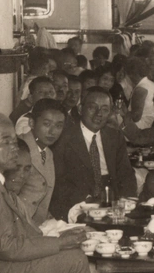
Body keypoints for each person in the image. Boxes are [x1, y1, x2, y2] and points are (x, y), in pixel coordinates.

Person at [0, 114, 100, 273]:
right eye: (5, 142)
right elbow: (6, 247)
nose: (14, 147)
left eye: (14, 141)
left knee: (66, 251)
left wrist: (57, 241)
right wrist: (60, 242)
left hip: (3, 267)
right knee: (74, 260)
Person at [50, 86, 137, 221]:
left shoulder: (114, 136)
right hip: (79, 203)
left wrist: (126, 204)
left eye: (104, 109)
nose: (99, 114)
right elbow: (59, 183)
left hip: (111, 200)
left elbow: (126, 174)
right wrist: (86, 203)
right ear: (80, 109)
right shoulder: (64, 138)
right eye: (92, 107)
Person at [18, 99, 67, 226]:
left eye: (59, 126)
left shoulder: (49, 154)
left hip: (38, 227)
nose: (52, 132)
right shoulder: (19, 149)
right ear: (32, 123)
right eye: (47, 124)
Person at [125, 57, 154, 129]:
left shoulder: (140, 88)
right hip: (152, 123)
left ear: (131, 74)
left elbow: (136, 117)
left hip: (142, 126)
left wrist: (123, 113)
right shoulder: (152, 84)